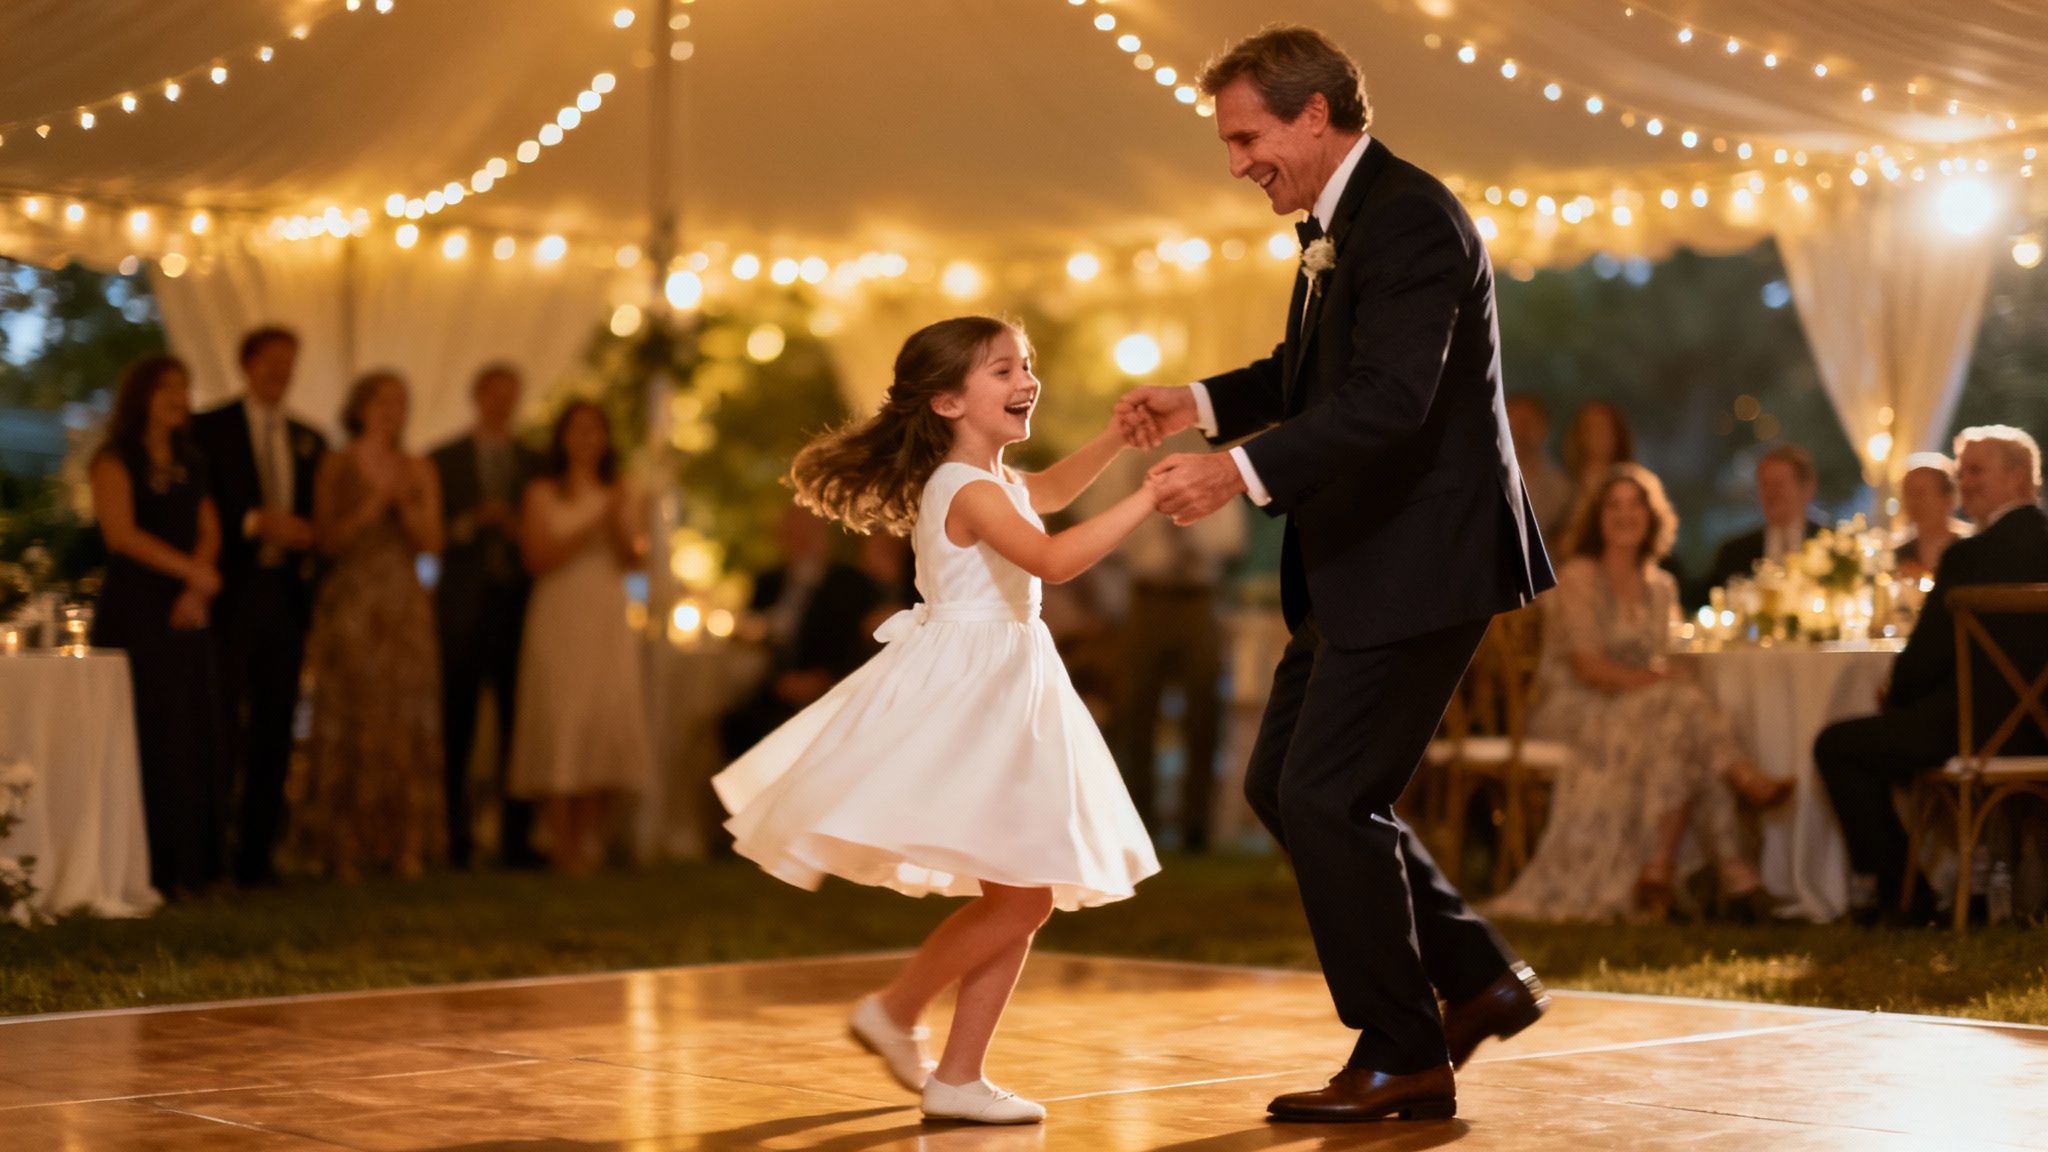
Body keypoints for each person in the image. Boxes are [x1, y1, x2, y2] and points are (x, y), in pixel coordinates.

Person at [1116, 27, 1554, 1124]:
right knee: (1284, 786)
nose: (1236, 164)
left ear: (1314, 116)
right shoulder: (1340, 224)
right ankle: (1478, 979)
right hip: (1366, 563)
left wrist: (1237, 472)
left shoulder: (1405, 217)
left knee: (1325, 794)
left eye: (1246, 137)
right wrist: (1201, 404)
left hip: (1423, 558)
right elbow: (1312, 375)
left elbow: (1389, 401)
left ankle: (1402, 1051)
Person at [713, 317, 1161, 1126]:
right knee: (1023, 894)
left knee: (1025, 891)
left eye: (1027, 365)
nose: (1026, 380)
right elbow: (1054, 560)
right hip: (978, 691)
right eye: (1003, 370)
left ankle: (954, 1071)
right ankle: (899, 1012)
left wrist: (1113, 442)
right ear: (950, 400)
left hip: (1003, 681)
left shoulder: (987, 479)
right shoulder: (967, 486)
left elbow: (1046, 494)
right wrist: (1151, 497)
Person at [1486, 465, 1788, 924]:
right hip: (1574, 706)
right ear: (1598, 517)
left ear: (1652, 517)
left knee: (1677, 721)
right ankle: (1737, 828)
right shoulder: (1580, 576)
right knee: (1678, 706)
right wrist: (1665, 682)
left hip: (1642, 707)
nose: (1625, 515)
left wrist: (1672, 676)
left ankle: (1662, 868)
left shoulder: (1661, 585)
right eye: (1614, 506)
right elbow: (1587, 668)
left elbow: (1668, 657)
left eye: (1636, 505)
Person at [1817, 426, 2048, 924]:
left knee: (1837, 745)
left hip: (1972, 731)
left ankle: (1905, 895)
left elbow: (1921, 665)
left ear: (2020, 475)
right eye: (1962, 472)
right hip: (2042, 732)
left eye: (1976, 471)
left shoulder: (1968, 557)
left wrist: (1894, 697)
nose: (1965, 482)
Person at [89, 356, 227, 899]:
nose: (178, 397)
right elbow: (120, 535)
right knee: (151, 728)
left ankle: (197, 865)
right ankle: (153, 866)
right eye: (167, 388)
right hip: (137, 609)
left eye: (185, 388)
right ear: (142, 395)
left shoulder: (194, 459)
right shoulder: (114, 458)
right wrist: (189, 571)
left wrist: (196, 587)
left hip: (186, 607)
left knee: (194, 726)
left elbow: (209, 527)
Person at [191, 326, 325, 887]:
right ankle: (207, 848)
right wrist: (254, 522)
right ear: (247, 365)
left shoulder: (309, 438)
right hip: (230, 594)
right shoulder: (209, 427)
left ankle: (257, 855)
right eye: (271, 362)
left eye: (289, 364)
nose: (280, 373)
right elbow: (198, 502)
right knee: (221, 721)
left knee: (275, 724)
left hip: (286, 597)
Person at [300, 371, 446, 880]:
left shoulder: (419, 467)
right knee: (351, 710)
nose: (392, 411)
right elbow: (326, 540)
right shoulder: (336, 464)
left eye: (400, 403)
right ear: (360, 407)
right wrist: (370, 505)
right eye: (382, 401)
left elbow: (433, 541)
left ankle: (403, 842)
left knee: (402, 714)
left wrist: (403, 503)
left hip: (402, 603)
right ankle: (343, 846)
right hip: (354, 600)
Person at [508, 401, 654, 877]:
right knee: (559, 716)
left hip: (605, 614)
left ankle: (587, 838)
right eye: (578, 429)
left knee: (600, 716)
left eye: (596, 429)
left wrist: (617, 518)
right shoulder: (541, 492)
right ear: (563, 437)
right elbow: (538, 557)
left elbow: (634, 560)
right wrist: (594, 521)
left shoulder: (620, 493)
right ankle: (559, 840)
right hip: (558, 612)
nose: (587, 438)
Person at [431, 364, 546, 869]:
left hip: (518, 607)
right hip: (461, 608)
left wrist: (516, 525)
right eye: (494, 395)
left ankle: (515, 841)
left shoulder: (535, 461)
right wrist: (473, 522)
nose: (502, 404)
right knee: (455, 725)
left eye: (511, 396)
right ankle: (453, 838)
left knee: (518, 726)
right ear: (477, 396)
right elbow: (430, 532)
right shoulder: (444, 458)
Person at [1110, 427, 1245, 852]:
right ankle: (1140, 820)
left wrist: (1190, 530)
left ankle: (1196, 825)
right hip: (1149, 599)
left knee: (1205, 712)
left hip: (1198, 601)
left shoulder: (1213, 485)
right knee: (1137, 711)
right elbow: (1121, 544)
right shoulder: (1134, 486)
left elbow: (1230, 541)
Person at [719, 505, 882, 761]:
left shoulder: (851, 584)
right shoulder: (767, 584)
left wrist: (824, 680)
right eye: (791, 532)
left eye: (807, 532)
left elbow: (860, 645)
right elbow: (744, 636)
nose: (799, 539)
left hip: (829, 691)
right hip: (770, 691)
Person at [1705, 443, 1825, 592]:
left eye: (1778, 484)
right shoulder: (1733, 553)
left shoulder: (1832, 547)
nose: (1770, 494)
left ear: (1806, 488)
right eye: (1764, 485)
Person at [1894, 452, 1970, 583]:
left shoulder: (1969, 551)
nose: (1913, 501)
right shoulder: (1899, 555)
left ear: (1948, 498)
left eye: (1920, 493)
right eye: (1908, 493)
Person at [1507, 393, 1573, 544]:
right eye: (1514, 422)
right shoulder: (1485, 479)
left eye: (1528, 422)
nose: (1521, 431)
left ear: (1544, 427)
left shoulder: (1562, 488)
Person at [1559, 400, 1635, 515]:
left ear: (1618, 434)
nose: (1597, 434)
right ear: (1578, 435)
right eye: (1590, 428)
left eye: (1604, 427)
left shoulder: (1635, 487)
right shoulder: (1561, 488)